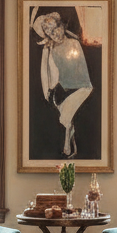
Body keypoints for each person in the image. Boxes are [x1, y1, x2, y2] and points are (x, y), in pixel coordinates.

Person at [32, 10, 93, 157]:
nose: (55, 34)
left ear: (62, 26)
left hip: (81, 87)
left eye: (56, 29)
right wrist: (48, 91)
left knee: (67, 111)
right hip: (61, 89)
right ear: (48, 36)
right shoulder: (49, 49)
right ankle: (68, 131)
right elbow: (45, 72)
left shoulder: (74, 43)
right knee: (63, 110)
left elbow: (83, 73)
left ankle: (68, 136)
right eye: (51, 33)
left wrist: (75, 86)